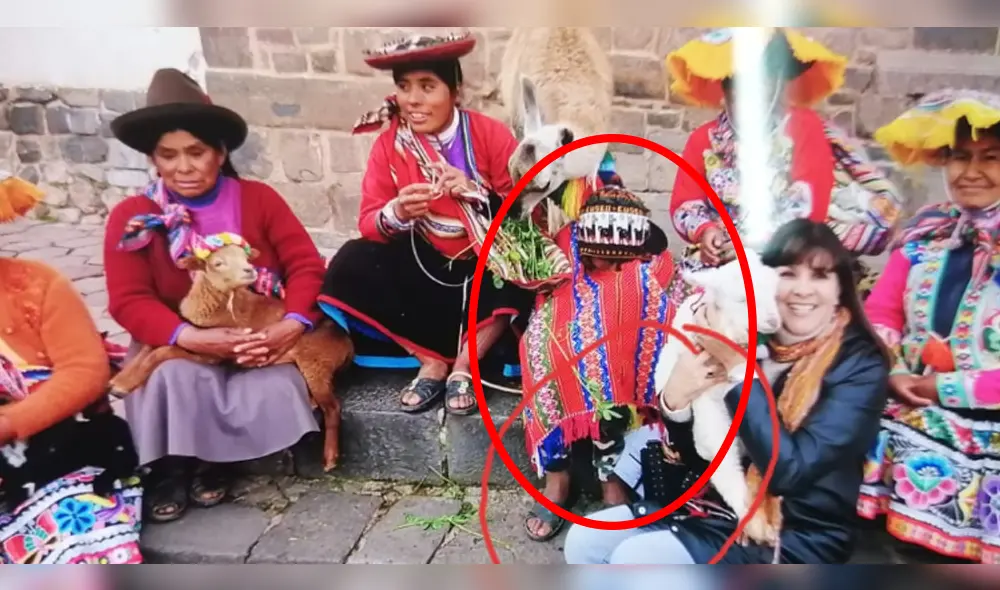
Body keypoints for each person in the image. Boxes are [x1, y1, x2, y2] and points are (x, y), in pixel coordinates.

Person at [563, 218, 892, 564]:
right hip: (716, 511)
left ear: (841, 287)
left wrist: (739, 372)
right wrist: (676, 400)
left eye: (820, 276)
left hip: (793, 536)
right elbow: (700, 457)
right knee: (586, 539)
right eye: (788, 275)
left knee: (637, 558)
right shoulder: (749, 336)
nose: (802, 290)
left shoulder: (859, 365)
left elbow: (789, 473)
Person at [103, 68, 327, 523]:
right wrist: (187, 335)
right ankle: (170, 468)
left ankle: (216, 461)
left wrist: (291, 325)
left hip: (257, 335)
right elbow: (128, 300)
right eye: (168, 156)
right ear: (154, 159)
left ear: (220, 153)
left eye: (196, 153)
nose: (183, 167)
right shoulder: (136, 218)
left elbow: (306, 266)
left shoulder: (258, 200)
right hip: (179, 340)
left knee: (274, 384)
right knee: (171, 378)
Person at [317, 32, 535, 415]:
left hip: (483, 270)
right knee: (351, 261)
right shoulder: (390, 144)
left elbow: (526, 214)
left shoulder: (489, 134)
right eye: (404, 87)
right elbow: (369, 220)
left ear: (455, 91)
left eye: (427, 87)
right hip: (424, 264)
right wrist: (398, 212)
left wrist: (474, 192)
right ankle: (430, 362)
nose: (413, 100)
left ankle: (465, 366)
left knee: (519, 270)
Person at [857, 89, 1000, 564]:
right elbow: (882, 312)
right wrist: (894, 369)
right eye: (960, 157)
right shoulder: (929, 231)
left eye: (991, 157)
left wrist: (949, 388)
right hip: (907, 407)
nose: (971, 171)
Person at [666, 27, 902, 303]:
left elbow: (808, 203)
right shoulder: (703, 139)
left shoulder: (804, 128)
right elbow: (686, 202)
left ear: (777, 82)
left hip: (790, 253)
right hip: (720, 260)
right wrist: (706, 231)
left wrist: (755, 244)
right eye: (736, 84)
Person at [0, 176, 143, 564]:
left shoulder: (37, 284)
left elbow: (84, 372)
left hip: (61, 453)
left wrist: (11, 424)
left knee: (73, 531)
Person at [520, 186, 674, 541]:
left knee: (614, 369)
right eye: (600, 258)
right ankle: (557, 481)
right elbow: (551, 301)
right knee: (542, 351)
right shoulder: (566, 248)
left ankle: (613, 481)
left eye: (619, 260)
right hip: (565, 326)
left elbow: (650, 317)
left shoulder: (648, 265)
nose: (609, 266)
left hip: (617, 354)